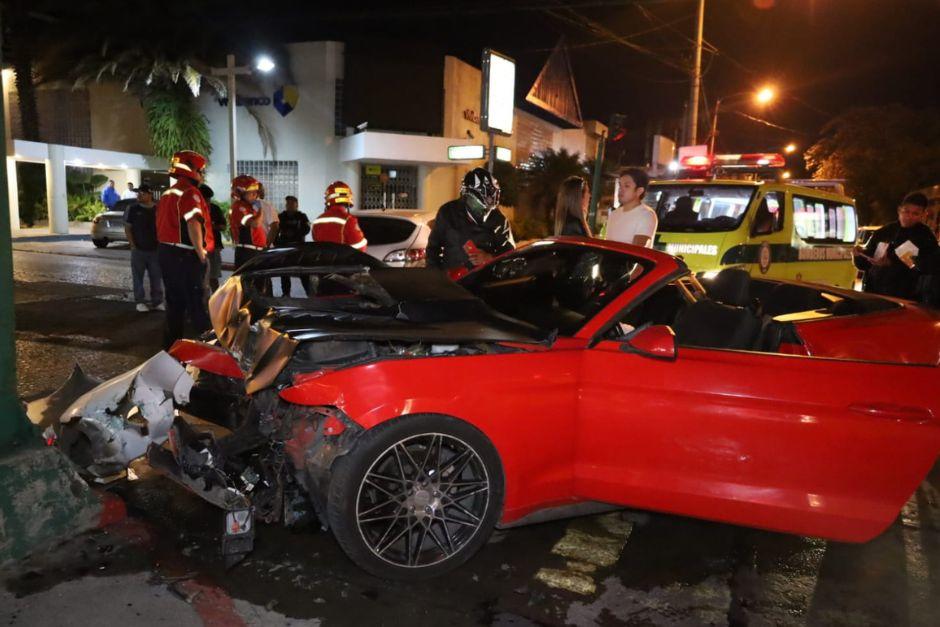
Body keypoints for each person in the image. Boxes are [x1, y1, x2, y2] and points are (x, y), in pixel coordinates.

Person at [156, 151, 214, 349]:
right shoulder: (190, 192)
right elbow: (193, 224)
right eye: (201, 171)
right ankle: (208, 351)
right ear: (193, 170)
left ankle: (171, 349)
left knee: (175, 306)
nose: (202, 175)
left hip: (167, 254)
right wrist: (201, 253)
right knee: (197, 305)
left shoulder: (167, 194)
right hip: (185, 256)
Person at [426, 168, 515, 273]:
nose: (491, 199)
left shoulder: (499, 219)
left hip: (482, 282)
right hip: (452, 283)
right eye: (489, 195)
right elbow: (433, 249)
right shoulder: (448, 212)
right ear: (471, 194)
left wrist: (489, 257)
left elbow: (510, 253)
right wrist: (438, 277)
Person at [855, 192, 938, 300]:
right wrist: (857, 255)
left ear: (923, 215)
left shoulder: (925, 237)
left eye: (915, 213)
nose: (909, 216)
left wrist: (891, 264)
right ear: (899, 210)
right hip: (874, 294)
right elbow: (864, 264)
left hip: (905, 299)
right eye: (906, 211)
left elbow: (928, 269)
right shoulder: (884, 232)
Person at [123, 184, 163, 312]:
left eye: (143, 193)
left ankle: (157, 301)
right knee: (137, 277)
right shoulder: (133, 208)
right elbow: (128, 228)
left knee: (156, 276)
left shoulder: (158, 209)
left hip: (155, 249)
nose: (139, 195)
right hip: (138, 249)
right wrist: (133, 245)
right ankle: (140, 301)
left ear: (150, 194)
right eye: (138, 193)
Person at [604, 167, 657, 247]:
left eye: (627, 186)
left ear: (639, 191)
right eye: (620, 185)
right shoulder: (614, 214)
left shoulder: (646, 215)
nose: (621, 189)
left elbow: (637, 250)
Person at [311, 181, 368, 251]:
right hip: (342, 261)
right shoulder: (348, 220)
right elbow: (360, 247)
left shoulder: (317, 221)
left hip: (322, 261)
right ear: (347, 198)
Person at [275, 195, 311, 296]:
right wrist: (277, 244)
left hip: (298, 248)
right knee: (284, 272)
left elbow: (307, 229)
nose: (289, 206)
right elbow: (275, 231)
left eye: (292, 204)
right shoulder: (281, 217)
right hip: (284, 248)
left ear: (297, 205)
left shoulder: (302, 216)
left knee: (303, 272)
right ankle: (286, 293)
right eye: (288, 204)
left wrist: (296, 233)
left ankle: (309, 292)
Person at [229, 175, 266, 269]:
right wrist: (260, 208)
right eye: (251, 192)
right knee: (248, 282)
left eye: (255, 192)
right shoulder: (239, 207)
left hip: (255, 252)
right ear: (240, 192)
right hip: (247, 252)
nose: (255, 195)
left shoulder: (249, 206)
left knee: (262, 283)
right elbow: (255, 224)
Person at [199, 184, 226, 293]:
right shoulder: (194, 209)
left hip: (214, 247)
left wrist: (211, 225)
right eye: (205, 199)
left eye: (209, 199)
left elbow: (223, 226)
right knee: (199, 276)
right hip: (198, 247)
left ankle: (215, 300)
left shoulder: (215, 209)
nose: (207, 202)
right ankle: (201, 301)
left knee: (213, 276)